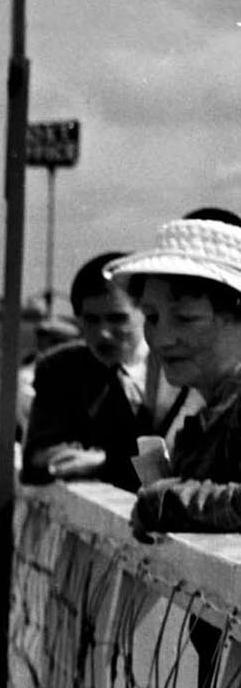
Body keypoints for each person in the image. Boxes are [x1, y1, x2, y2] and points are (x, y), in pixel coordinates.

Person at [107, 214, 241, 538]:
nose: (163, 338)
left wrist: (166, 503)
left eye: (186, 318)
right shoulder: (208, 420)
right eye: (152, 317)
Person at [20, 253, 157, 490]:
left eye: (117, 319)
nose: (103, 333)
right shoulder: (60, 370)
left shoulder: (174, 369)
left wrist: (104, 461)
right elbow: (35, 460)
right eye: (91, 320)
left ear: (145, 312)